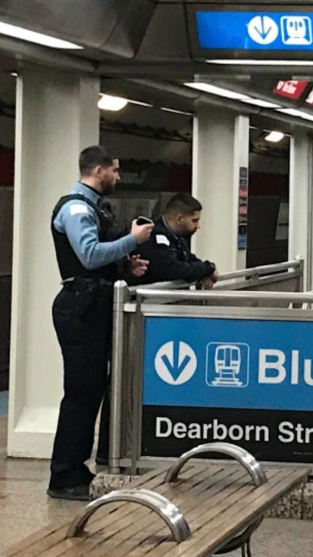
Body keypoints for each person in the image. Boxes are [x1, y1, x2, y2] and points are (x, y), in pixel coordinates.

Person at [49, 146, 153, 501]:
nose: (118, 177)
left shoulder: (94, 207)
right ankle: (63, 476)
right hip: (80, 308)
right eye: (115, 170)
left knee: (91, 390)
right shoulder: (76, 208)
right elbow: (89, 255)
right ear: (97, 170)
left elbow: (98, 259)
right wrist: (132, 240)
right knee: (81, 392)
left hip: (92, 304)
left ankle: (76, 468)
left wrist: (126, 264)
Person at [133, 193, 218, 288]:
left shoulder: (177, 237)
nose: (198, 225)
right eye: (194, 220)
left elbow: (188, 258)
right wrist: (207, 268)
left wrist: (207, 268)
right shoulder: (152, 235)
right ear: (179, 219)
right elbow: (172, 269)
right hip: (150, 299)